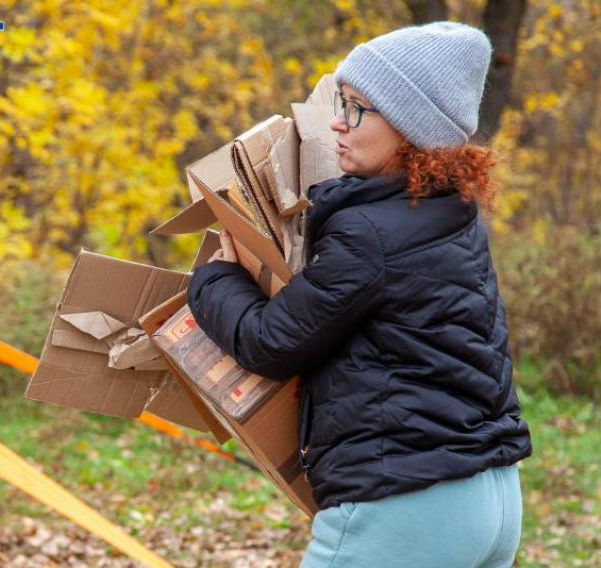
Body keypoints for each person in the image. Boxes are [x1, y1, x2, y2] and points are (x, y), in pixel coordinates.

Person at [186, 21, 532, 568]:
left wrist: (213, 278)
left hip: (410, 505)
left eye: (355, 107)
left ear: (409, 126)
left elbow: (269, 343)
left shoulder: (370, 233)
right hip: (492, 497)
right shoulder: (450, 211)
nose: (336, 121)